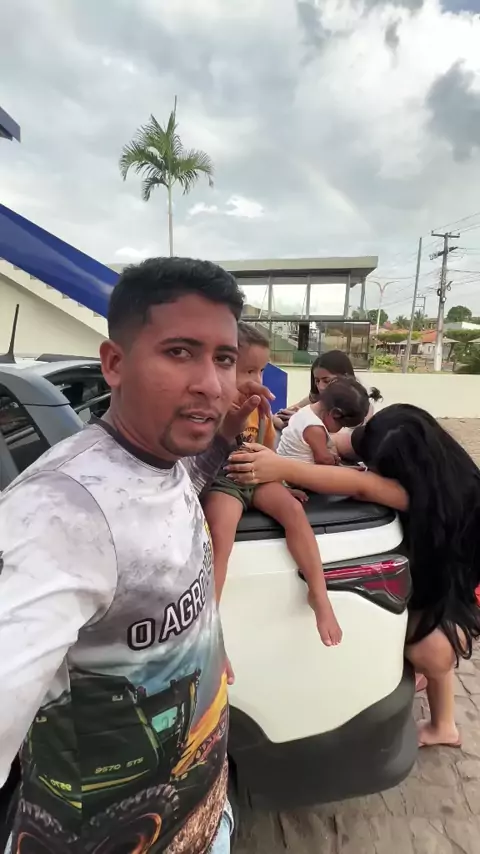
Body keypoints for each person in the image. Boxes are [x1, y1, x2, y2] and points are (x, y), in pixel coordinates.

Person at [0, 257, 274, 854]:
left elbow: (181, 498)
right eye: (180, 352)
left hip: (202, 816)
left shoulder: (164, 458)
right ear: (115, 364)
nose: (212, 384)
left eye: (223, 359)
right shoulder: (61, 513)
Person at [225, 403, 480, 749]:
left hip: (457, 599)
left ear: (407, 472)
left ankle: (443, 722)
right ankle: (439, 704)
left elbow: (362, 486)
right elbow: (344, 445)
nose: (372, 468)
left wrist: (281, 467)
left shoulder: (424, 494)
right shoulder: (435, 462)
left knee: (430, 651)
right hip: (435, 584)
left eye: (381, 468)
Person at [203, 322, 342, 647]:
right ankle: (209, 621)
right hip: (226, 480)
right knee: (220, 533)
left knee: (293, 511)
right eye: (248, 370)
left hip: (259, 476)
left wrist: (279, 481)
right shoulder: (215, 404)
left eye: (261, 371)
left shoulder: (261, 408)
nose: (257, 379)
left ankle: (319, 594)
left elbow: (268, 447)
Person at [273, 350, 381, 459]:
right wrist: (294, 421)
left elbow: (341, 441)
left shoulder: (359, 404)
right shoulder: (318, 397)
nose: (320, 386)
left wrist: (303, 426)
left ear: (344, 378)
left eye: (327, 381)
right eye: (317, 381)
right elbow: (278, 416)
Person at [277, 376, 376, 467]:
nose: (340, 429)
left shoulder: (306, 411)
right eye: (342, 425)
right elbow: (323, 459)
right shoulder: (314, 428)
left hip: (290, 466)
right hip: (297, 472)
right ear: (335, 413)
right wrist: (332, 459)